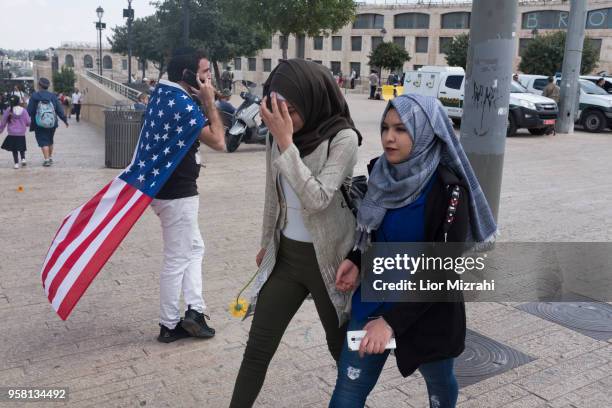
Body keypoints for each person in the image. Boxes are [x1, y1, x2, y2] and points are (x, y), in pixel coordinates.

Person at [330, 94, 497, 408]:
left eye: (401, 129)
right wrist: (356, 258)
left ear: (424, 131)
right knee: (348, 392)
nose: (389, 137)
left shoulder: (449, 190)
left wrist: (391, 322)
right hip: (373, 303)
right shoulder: (380, 172)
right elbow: (375, 232)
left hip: (426, 312)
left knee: (440, 386)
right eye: (385, 127)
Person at [230, 59, 362, 408]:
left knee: (341, 352)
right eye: (278, 109)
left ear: (313, 98)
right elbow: (272, 195)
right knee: (257, 349)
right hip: (287, 258)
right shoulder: (282, 136)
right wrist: (265, 243)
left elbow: (318, 198)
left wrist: (286, 144)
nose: (284, 118)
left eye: (291, 110)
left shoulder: (343, 138)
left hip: (329, 264)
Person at [150, 47, 225, 344]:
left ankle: (195, 310)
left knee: (194, 248)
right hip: (177, 195)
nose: (209, 78)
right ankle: (168, 325)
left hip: (169, 192)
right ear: (187, 75)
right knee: (177, 258)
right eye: (205, 73)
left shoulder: (164, 95)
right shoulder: (182, 104)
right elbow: (219, 141)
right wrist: (209, 104)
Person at [26, 77, 68, 167]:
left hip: (39, 123)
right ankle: (50, 157)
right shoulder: (53, 96)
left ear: (39, 85)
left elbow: (29, 110)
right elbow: (59, 109)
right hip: (52, 123)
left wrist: (25, 120)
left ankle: (46, 160)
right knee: (50, 140)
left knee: (43, 141)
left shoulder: (34, 96)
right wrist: (64, 120)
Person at [1, 94, 30, 169]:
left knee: (14, 149)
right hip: (21, 133)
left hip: (12, 133)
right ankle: (23, 159)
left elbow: (3, 122)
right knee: (21, 147)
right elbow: (28, 122)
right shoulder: (23, 110)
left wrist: (0, 130)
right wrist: (26, 125)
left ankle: (16, 163)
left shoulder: (8, 110)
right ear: (18, 101)